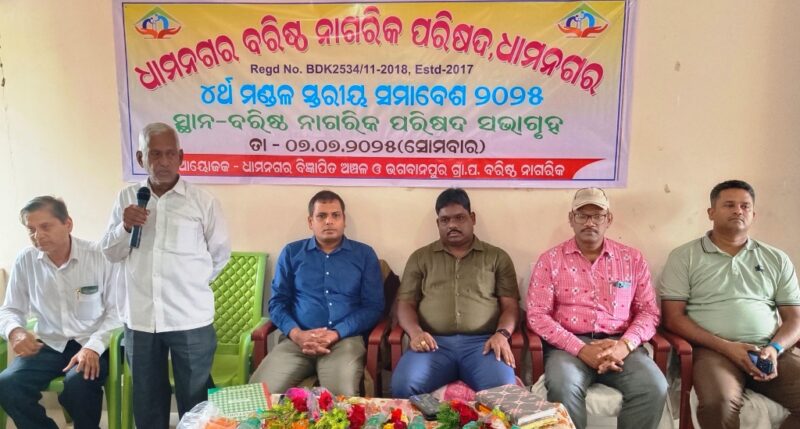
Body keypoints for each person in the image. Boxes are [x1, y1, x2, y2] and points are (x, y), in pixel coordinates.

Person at [101, 122, 231, 428]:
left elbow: (220, 254)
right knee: (147, 399)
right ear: (140, 158)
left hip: (189, 317)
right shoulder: (127, 199)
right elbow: (110, 253)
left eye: (170, 154)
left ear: (181, 157)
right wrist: (125, 227)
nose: (163, 161)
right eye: (155, 154)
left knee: (196, 400)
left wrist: (189, 283)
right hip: (141, 317)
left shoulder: (203, 201)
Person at [660, 180, 800, 429]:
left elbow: (794, 319)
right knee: (720, 404)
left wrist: (774, 349)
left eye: (745, 206)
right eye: (729, 205)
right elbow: (673, 318)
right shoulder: (685, 256)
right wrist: (727, 347)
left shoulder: (776, 259)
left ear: (753, 215)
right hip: (713, 351)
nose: (738, 211)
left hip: (767, 350)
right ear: (711, 212)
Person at [527, 187, 667, 429]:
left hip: (620, 344)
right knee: (563, 386)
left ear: (608, 219)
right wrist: (581, 349)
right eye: (582, 215)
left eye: (597, 216)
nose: (589, 222)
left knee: (655, 387)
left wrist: (624, 346)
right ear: (571, 219)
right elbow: (537, 315)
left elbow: (648, 312)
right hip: (568, 347)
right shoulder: (550, 260)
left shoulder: (632, 259)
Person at [0, 196, 120, 429]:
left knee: (79, 384)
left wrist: (93, 347)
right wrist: (15, 331)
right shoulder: (26, 260)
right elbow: (11, 308)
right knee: (8, 383)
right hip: (49, 345)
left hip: (92, 344)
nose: (38, 235)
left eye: (45, 226)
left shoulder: (99, 256)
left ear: (68, 224)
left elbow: (117, 312)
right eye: (31, 229)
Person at [250, 190, 383, 395]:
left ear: (344, 220)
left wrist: (336, 333)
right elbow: (277, 303)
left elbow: (373, 307)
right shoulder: (292, 253)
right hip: (297, 341)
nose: (329, 221)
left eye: (335, 215)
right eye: (321, 216)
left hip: (344, 341)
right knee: (257, 394)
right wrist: (297, 334)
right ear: (310, 221)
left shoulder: (364, 254)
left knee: (340, 400)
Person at [391, 188, 519, 398]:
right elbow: (405, 304)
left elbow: (511, 307)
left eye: (459, 218)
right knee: (403, 385)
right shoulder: (420, 257)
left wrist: (502, 334)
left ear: (472, 218)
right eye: (445, 220)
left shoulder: (497, 257)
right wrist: (415, 333)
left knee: (504, 392)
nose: (452, 225)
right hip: (433, 344)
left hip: (482, 345)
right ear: (438, 223)